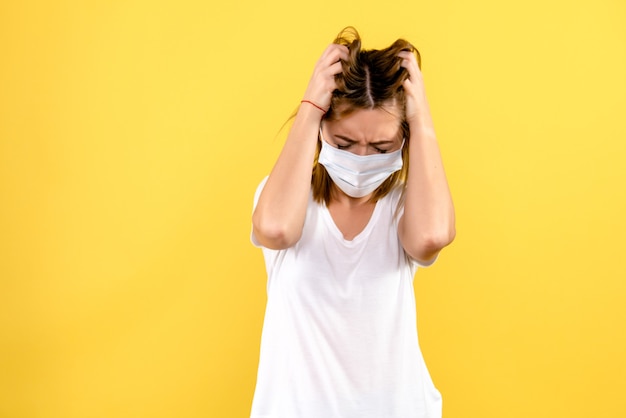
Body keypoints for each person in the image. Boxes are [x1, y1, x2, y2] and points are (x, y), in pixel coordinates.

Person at [250, 27, 455, 418]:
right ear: (322, 130)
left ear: (404, 141)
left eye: (380, 147)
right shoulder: (284, 196)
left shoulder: (404, 207)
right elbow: (275, 230)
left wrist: (422, 118)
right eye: (344, 144)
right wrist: (310, 106)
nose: (361, 157)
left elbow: (431, 236)